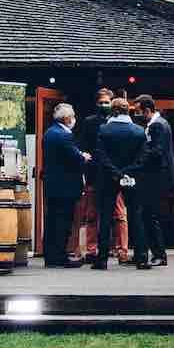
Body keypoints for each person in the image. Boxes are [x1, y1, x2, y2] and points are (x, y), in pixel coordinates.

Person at [93, 97, 149, 270]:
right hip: (131, 177)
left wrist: (116, 173)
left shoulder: (104, 130)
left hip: (109, 177)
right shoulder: (139, 131)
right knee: (135, 216)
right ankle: (141, 257)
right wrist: (128, 172)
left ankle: (102, 259)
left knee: (106, 217)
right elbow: (143, 157)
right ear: (128, 111)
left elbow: (100, 155)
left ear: (113, 110)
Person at [69, 88, 119, 264]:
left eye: (107, 102)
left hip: (114, 173)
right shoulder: (89, 122)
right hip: (94, 173)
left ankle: (120, 250)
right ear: (96, 103)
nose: (104, 105)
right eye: (101, 102)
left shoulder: (117, 122)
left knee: (118, 215)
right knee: (91, 214)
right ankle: (91, 250)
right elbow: (83, 145)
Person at [43, 103, 91, 267]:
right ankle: (60, 256)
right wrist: (83, 156)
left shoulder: (50, 132)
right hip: (65, 187)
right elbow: (74, 157)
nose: (74, 119)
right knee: (63, 222)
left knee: (52, 221)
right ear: (66, 118)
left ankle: (50, 256)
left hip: (53, 186)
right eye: (72, 116)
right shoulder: (64, 135)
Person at [132, 95, 174, 267]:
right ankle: (158, 253)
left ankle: (159, 254)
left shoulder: (157, 125)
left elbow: (157, 151)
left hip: (157, 178)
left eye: (138, 111)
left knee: (151, 216)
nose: (137, 115)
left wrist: (139, 158)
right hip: (159, 177)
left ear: (147, 110)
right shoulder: (160, 124)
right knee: (151, 215)